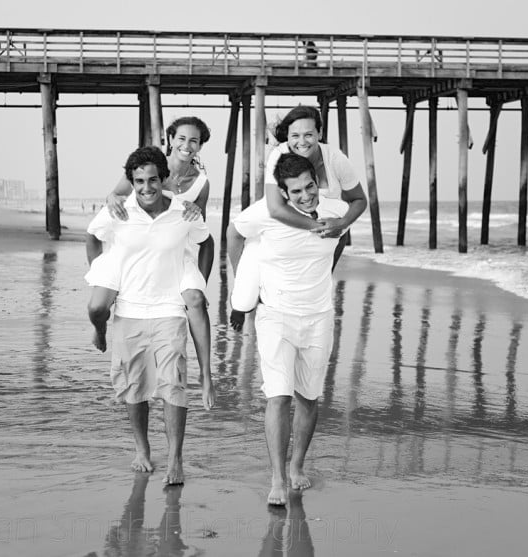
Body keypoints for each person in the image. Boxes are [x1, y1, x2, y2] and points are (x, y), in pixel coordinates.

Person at [227, 153, 355, 506]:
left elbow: (340, 239)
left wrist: (323, 275)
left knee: (309, 397)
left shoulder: (336, 209)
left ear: (317, 180)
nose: (305, 196)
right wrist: (244, 286)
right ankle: (278, 478)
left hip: (319, 316)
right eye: (295, 191)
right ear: (282, 192)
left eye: (309, 186)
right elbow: (233, 234)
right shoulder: (264, 213)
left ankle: (297, 466)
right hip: (275, 314)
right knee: (278, 395)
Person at [86, 146, 215, 483]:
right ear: (131, 181)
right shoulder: (118, 210)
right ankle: (142, 448)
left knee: (173, 383)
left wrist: (200, 282)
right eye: (139, 181)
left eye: (153, 180)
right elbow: (92, 236)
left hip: (169, 309)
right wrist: (101, 273)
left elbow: (207, 241)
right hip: (129, 309)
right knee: (135, 387)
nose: (146, 188)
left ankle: (175, 459)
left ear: (163, 178)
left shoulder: (184, 212)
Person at [97, 117, 214, 389]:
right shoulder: (149, 167)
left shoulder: (201, 183)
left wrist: (202, 282)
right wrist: (112, 198)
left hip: (176, 251)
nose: (186, 145)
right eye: (181, 138)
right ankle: (101, 330)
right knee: (103, 303)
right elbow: (114, 195)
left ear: (200, 146)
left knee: (195, 300)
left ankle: (207, 375)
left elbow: (201, 231)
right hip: (139, 245)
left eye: (194, 140)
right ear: (170, 139)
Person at [229, 105, 367, 329]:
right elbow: (275, 208)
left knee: (341, 226)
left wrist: (341, 224)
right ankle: (243, 293)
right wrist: (319, 227)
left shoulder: (336, 159)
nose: (302, 141)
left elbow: (359, 200)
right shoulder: (279, 153)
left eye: (309, 134)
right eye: (295, 135)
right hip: (284, 209)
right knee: (239, 237)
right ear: (288, 137)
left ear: (319, 134)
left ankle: (325, 273)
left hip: (320, 209)